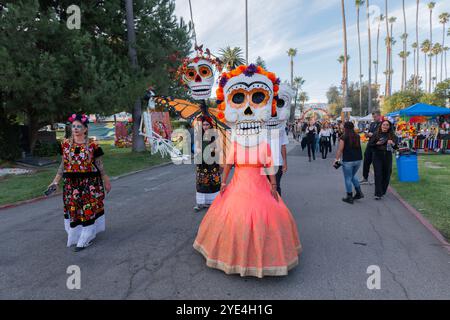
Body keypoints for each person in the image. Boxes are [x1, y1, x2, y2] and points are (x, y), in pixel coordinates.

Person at [193, 141, 301, 277]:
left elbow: (269, 166)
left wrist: (273, 185)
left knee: (267, 214)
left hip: (260, 185)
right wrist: (223, 182)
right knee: (234, 214)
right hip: (238, 185)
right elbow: (228, 165)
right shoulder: (236, 145)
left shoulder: (264, 145)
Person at [49, 113, 111, 251]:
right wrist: (55, 182)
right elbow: (63, 165)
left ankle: (86, 237)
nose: (75, 128)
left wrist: (106, 179)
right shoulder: (65, 145)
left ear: (85, 129)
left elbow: (99, 164)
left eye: (79, 126)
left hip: (90, 183)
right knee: (74, 209)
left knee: (87, 209)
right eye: (74, 126)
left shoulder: (93, 145)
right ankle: (77, 235)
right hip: (71, 185)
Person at [194, 116, 221, 211]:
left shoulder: (214, 135)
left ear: (210, 125)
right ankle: (200, 203)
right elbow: (196, 147)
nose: (205, 126)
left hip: (212, 162)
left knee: (213, 182)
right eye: (203, 124)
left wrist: (211, 150)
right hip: (201, 163)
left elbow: (218, 149)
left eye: (207, 124)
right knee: (201, 182)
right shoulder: (199, 135)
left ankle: (213, 202)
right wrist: (197, 150)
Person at [334, 121, 364, 204]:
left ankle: (349, 196)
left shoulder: (343, 137)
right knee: (352, 176)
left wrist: (336, 160)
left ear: (345, 128)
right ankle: (359, 193)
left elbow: (340, 150)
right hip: (358, 159)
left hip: (348, 160)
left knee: (348, 178)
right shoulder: (357, 136)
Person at [368, 120, 398, 200]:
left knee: (387, 174)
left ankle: (383, 190)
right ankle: (378, 193)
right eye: (384, 125)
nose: (385, 126)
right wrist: (377, 143)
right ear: (381, 125)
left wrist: (393, 143)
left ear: (389, 126)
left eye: (387, 125)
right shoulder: (376, 134)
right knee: (378, 174)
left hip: (387, 156)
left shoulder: (392, 135)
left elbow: (396, 147)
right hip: (377, 156)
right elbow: (370, 145)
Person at [360, 111, 382, 184]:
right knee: (366, 161)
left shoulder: (382, 124)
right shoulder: (372, 124)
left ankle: (377, 179)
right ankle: (365, 178)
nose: (374, 118)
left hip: (377, 146)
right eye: (373, 117)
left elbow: (381, 135)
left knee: (376, 163)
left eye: (375, 116)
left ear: (379, 116)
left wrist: (372, 135)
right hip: (370, 144)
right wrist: (366, 135)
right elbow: (369, 132)